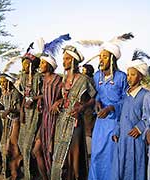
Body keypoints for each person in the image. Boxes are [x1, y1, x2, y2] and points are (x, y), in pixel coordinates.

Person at [51, 45, 96, 180]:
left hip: (75, 122)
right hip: (62, 121)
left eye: (66, 59)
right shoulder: (64, 80)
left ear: (73, 61)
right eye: (63, 59)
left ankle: (76, 177)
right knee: (61, 156)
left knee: (74, 156)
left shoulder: (84, 79)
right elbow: (65, 97)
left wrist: (83, 107)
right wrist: (58, 101)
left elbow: (93, 99)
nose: (63, 62)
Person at [89, 40, 128, 180]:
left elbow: (126, 100)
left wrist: (111, 107)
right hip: (100, 122)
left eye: (105, 57)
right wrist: (97, 102)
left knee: (111, 156)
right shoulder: (96, 76)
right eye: (100, 56)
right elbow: (98, 95)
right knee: (96, 154)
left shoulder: (121, 77)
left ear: (112, 59)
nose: (101, 60)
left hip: (114, 122)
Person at [118, 50, 150, 180]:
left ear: (140, 76)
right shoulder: (125, 96)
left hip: (137, 141)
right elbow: (120, 116)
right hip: (123, 139)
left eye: (133, 75)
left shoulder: (146, 95)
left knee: (138, 168)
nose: (129, 78)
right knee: (123, 167)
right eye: (128, 75)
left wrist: (140, 128)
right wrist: (117, 131)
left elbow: (149, 116)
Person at [34, 54, 62, 179]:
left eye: (43, 63)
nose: (40, 66)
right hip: (45, 118)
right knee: (37, 150)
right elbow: (45, 96)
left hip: (55, 119)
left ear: (49, 66)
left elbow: (66, 96)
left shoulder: (57, 79)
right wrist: (40, 100)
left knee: (52, 152)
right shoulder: (43, 80)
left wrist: (58, 102)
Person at [19, 45, 43, 180]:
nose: (24, 65)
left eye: (26, 63)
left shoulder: (39, 77)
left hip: (36, 113)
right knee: (22, 144)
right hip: (26, 114)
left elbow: (46, 94)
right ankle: (30, 171)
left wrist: (34, 99)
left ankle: (30, 176)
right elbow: (23, 95)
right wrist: (22, 110)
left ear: (32, 65)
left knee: (29, 146)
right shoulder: (22, 78)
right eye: (23, 63)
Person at [0, 73, 22, 180]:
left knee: (13, 148)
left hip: (15, 122)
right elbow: (3, 105)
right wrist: (0, 108)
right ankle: (11, 172)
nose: (2, 84)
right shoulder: (4, 94)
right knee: (7, 148)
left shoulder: (16, 93)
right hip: (7, 122)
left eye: (4, 82)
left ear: (9, 82)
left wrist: (9, 110)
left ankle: (15, 173)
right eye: (1, 82)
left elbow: (19, 110)